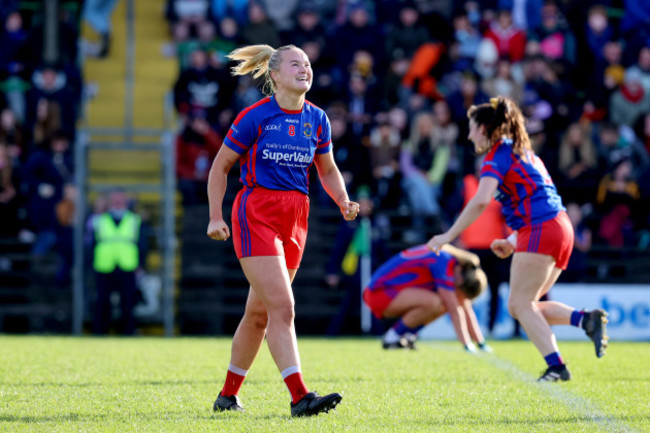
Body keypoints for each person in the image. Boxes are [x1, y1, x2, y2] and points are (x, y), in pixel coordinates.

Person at [206, 44, 360, 416]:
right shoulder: (254, 116)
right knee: (283, 307)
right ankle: (300, 396)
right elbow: (219, 167)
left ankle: (227, 397)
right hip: (256, 211)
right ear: (275, 75)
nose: (304, 68)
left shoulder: (318, 119)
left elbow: (326, 169)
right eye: (296, 63)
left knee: (259, 314)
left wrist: (342, 199)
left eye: (307, 63)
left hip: (296, 215)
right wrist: (215, 216)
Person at [427, 96, 609, 382]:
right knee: (528, 306)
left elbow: (480, 201)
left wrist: (448, 235)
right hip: (558, 226)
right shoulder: (522, 150)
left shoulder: (498, 152)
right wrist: (513, 240)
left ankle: (557, 366)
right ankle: (585, 320)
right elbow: (535, 197)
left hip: (541, 228)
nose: (468, 134)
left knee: (519, 305)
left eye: (472, 127)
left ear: (485, 128)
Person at [363, 243, 491, 352]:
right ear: (461, 274)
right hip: (378, 293)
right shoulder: (443, 261)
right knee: (437, 302)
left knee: (444, 302)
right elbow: (455, 309)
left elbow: (463, 305)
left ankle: (406, 335)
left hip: (386, 292)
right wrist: (467, 345)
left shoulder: (451, 262)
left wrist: (481, 343)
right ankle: (392, 337)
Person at [89, 189, 146, 335]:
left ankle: (127, 332)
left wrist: (141, 264)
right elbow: (92, 243)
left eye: (120, 200)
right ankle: (100, 332)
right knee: (102, 301)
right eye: (115, 200)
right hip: (104, 265)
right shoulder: (99, 219)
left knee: (127, 302)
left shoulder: (134, 219)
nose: (118, 203)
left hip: (127, 265)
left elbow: (142, 244)